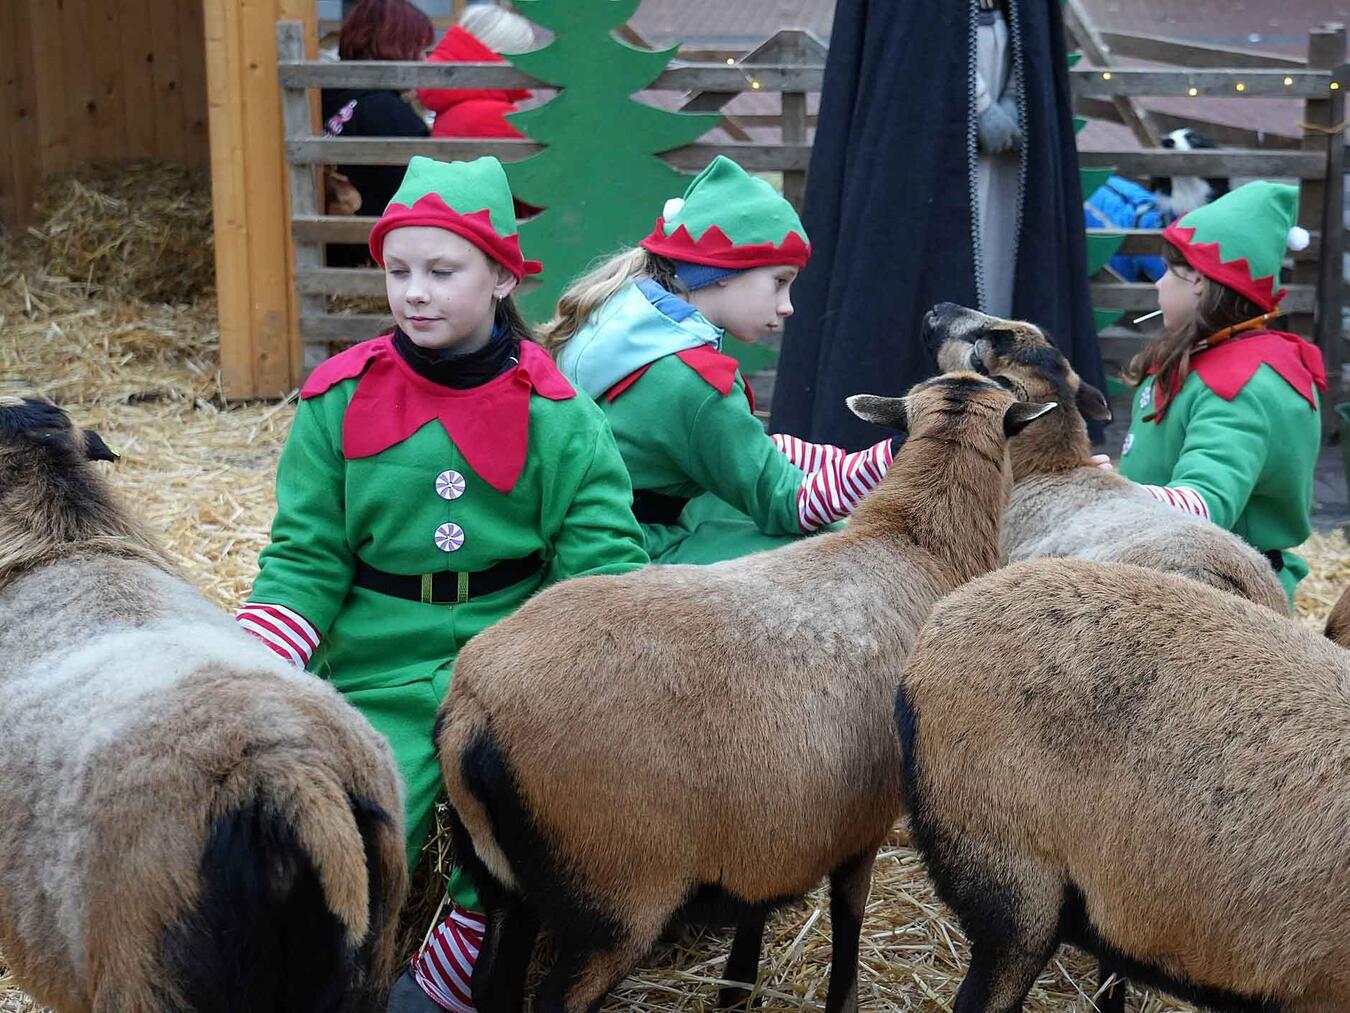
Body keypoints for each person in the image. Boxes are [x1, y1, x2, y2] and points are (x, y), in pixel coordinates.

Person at [234, 155, 649, 1012]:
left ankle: (453, 966)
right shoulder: (336, 400)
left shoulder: (560, 414)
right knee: (343, 810)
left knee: (515, 812)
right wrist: (249, 666)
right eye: (398, 271)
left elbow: (600, 569)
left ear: (500, 275)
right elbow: (305, 556)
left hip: (511, 661)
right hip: (376, 656)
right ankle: (318, 969)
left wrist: (590, 683)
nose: (415, 292)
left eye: (442, 270)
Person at [771, 0, 1104, 448]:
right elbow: (912, 45)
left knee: (1007, 262)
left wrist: (1012, 97)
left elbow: (1033, 29)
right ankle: (904, 439)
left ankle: (1013, 427)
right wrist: (979, 102)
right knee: (911, 266)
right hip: (917, 144)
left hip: (1010, 119)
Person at [541, 156, 898, 565]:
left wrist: (844, 463)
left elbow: (740, 448)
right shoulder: (695, 383)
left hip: (591, 525)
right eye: (779, 282)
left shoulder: (623, 321)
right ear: (724, 270)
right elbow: (788, 503)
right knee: (835, 551)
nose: (788, 307)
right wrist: (897, 456)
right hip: (634, 547)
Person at [1119, 181, 1324, 603]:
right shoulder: (1212, 359)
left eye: (1167, 272)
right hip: (1175, 573)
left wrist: (1111, 495)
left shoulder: (1241, 385)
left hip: (1225, 601)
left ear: (1197, 280)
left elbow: (1205, 504)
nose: (1158, 285)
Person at [321, 0, 434, 266]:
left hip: (337, 250)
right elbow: (427, 195)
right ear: (397, 47)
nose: (424, 60)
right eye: (419, 49)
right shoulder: (386, 111)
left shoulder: (328, 94)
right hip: (374, 257)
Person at [418, 5, 535, 141]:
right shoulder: (498, 116)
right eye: (525, 57)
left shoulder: (459, 102)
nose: (528, 66)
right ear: (503, 54)